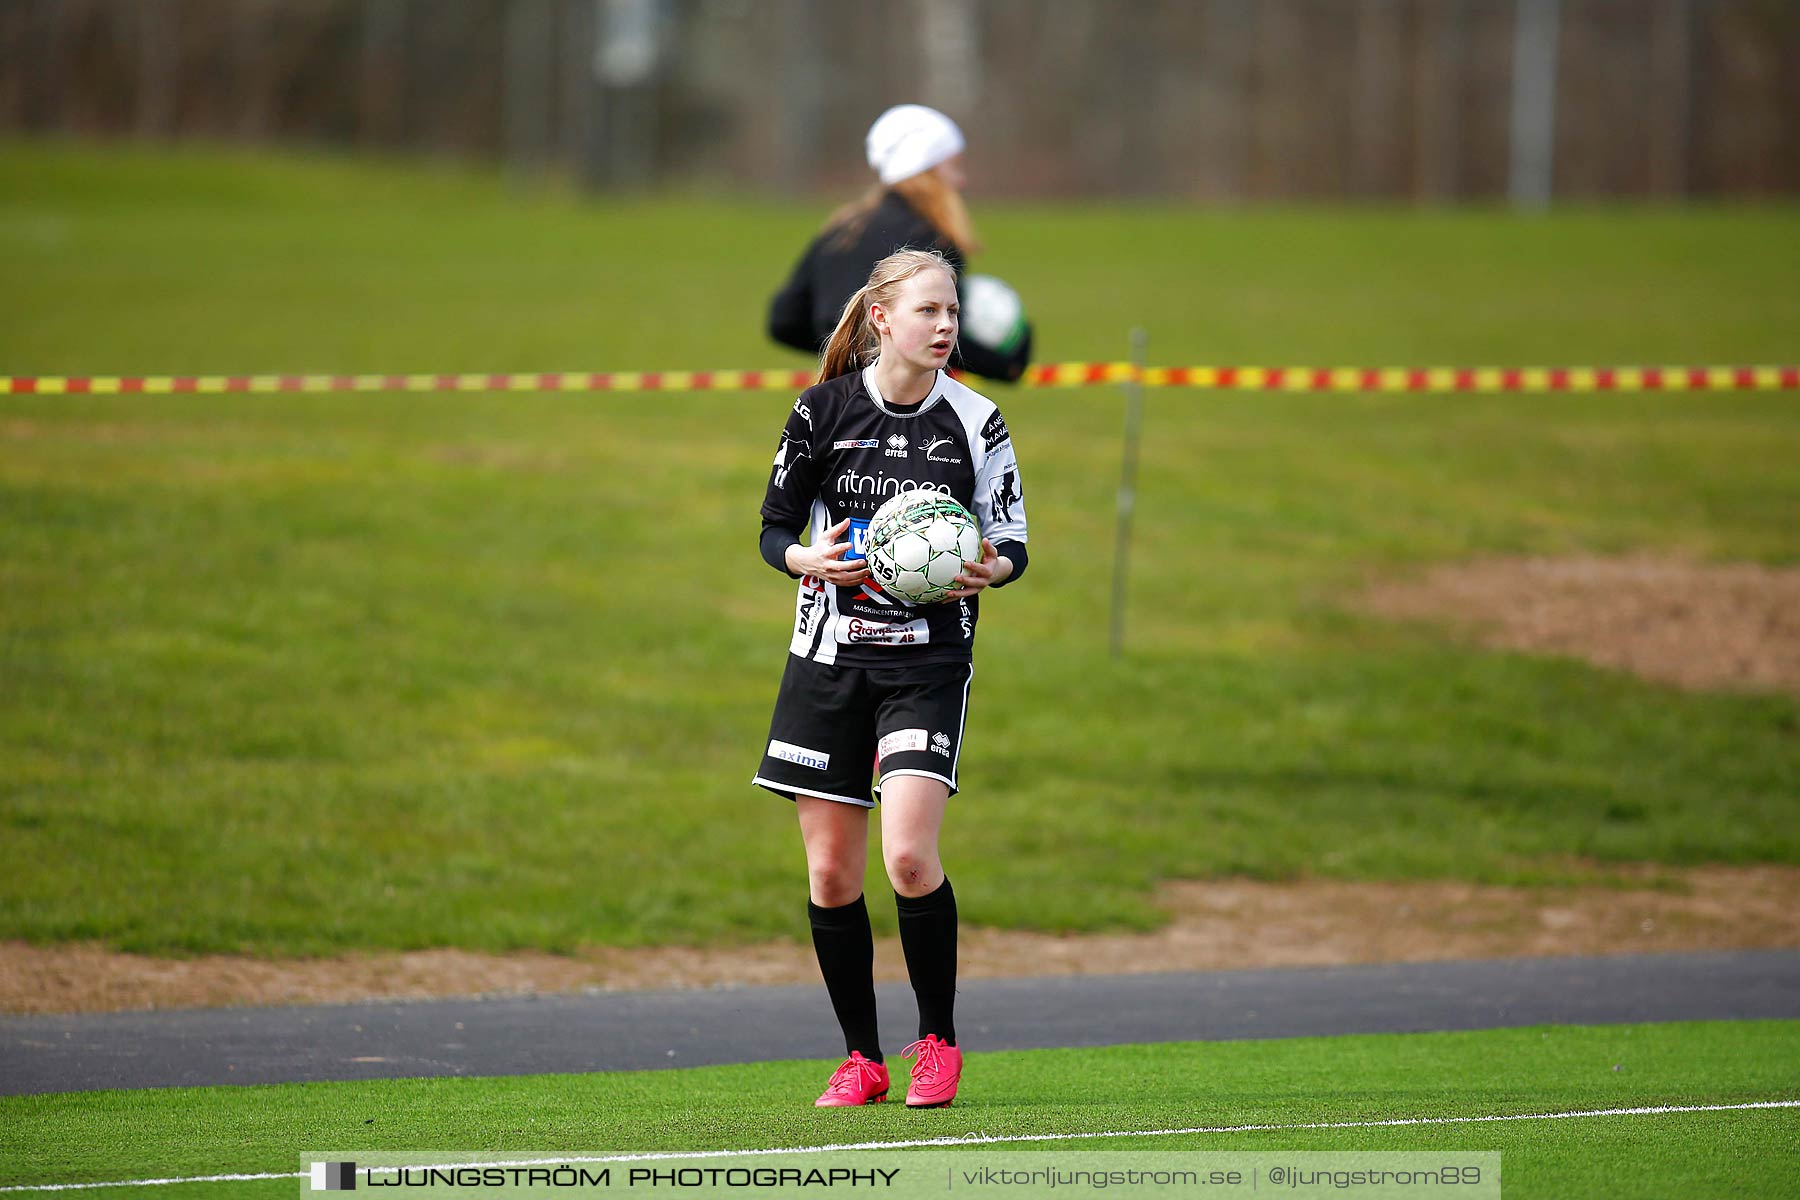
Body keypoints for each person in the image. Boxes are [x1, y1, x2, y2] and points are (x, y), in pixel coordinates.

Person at [752, 248, 1030, 1108]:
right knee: (832, 876)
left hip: (929, 664)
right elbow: (772, 530)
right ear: (882, 319)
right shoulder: (820, 411)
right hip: (828, 661)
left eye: (952, 312)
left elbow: (1013, 540)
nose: (946, 327)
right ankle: (861, 1059)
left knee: (908, 856)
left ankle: (937, 1044)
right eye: (928, 313)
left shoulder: (977, 421)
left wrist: (992, 570)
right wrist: (807, 558)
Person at [768, 104, 1032, 384]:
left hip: (841, 398)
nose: (961, 181)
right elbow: (939, 333)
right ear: (926, 171)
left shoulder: (843, 228)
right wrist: (1007, 365)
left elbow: (785, 321)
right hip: (904, 403)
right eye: (954, 167)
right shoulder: (932, 238)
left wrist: (847, 351)